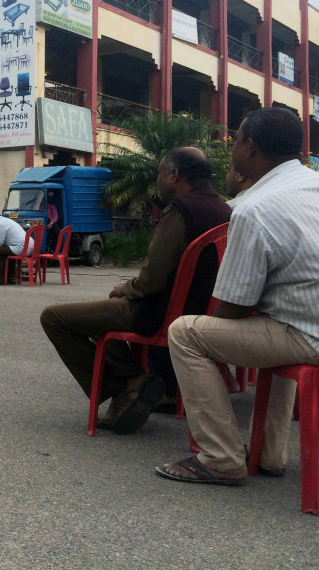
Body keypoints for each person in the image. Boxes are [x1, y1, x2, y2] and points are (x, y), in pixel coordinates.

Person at [156, 109, 319, 486]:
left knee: (186, 332)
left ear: (249, 147)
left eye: (236, 139)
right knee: (283, 327)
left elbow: (233, 307)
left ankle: (220, 457)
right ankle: (269, 455)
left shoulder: (253, 208)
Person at [40, 147, 232, 435]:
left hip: (161, 312)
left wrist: (125, 287)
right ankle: (132, 383)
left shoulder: (181, 211)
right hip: (199, 309)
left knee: (55, 317)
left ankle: (127, 386)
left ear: (174, 174)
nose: (157, 181)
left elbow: (150, 281)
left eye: (159, 174)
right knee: (103, 314)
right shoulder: (223, 209)